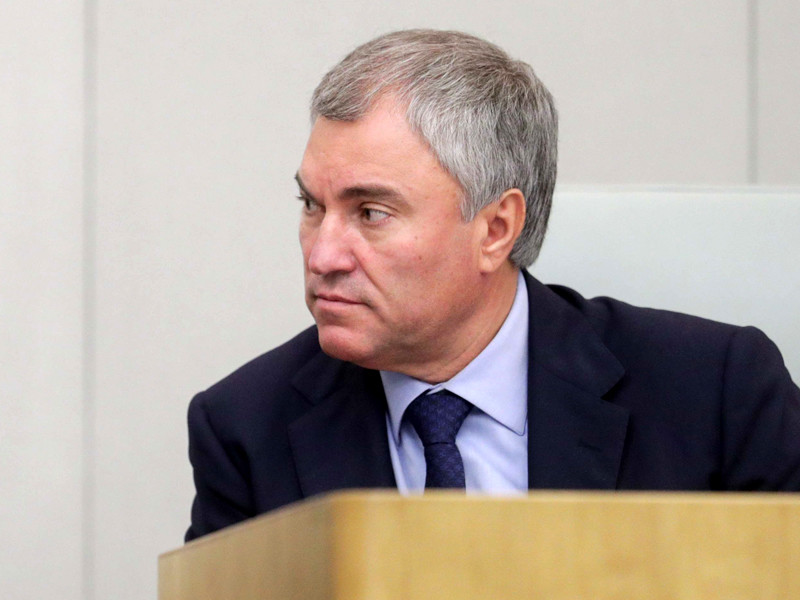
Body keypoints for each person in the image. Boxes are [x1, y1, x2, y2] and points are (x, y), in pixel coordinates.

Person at [185, 29, 800, 542]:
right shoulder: (246, 427)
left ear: (496, 229)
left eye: (371, 212)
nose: (322, 254)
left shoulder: (717, 392)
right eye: (312, 206)